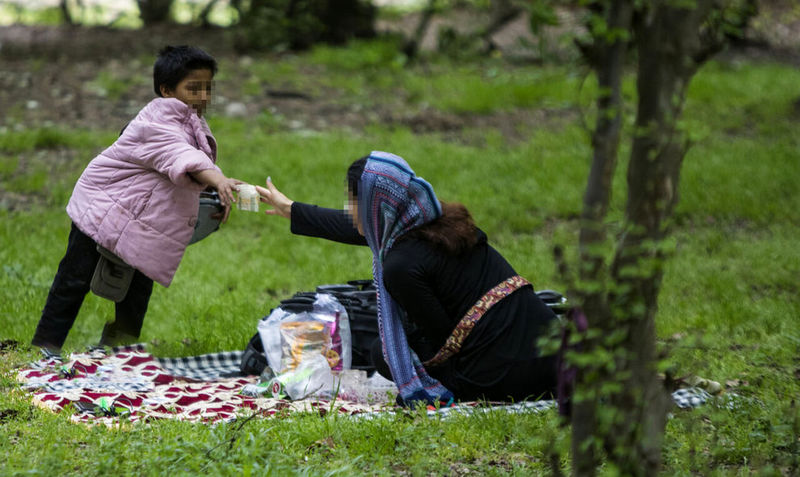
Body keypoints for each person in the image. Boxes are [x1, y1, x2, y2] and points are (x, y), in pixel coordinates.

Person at [255, 151, 559, 405]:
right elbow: (364, 230)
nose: (349, 211)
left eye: (352, 202)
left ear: (375, 208)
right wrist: (292, 210)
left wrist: (399, 349)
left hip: (506, 370)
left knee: (385, 353)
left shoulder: (401, 267)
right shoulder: (436, 221)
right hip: (552, 349)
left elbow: (443, 339)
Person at [31, 45, 240, 354]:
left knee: (136, 294)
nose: (202, 97)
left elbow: (194, 159)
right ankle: (44, 348)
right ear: (166, 90)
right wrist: (218, 180)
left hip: (141, 223)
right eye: (193, 88)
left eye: (207, 88)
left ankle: (115, 353)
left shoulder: (190, 122)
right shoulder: (154, 122)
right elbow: (178, 154)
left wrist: (213, 191)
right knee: (74, 280)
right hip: (103, 212)